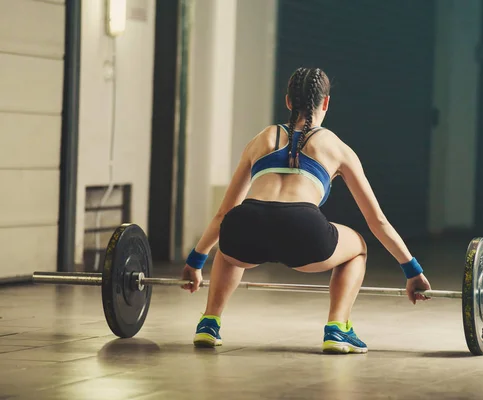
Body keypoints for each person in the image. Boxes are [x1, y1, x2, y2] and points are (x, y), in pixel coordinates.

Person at [180, 67, 431, 354]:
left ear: (288, 101)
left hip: (248, 224)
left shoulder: (262, 138)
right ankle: (337, 329)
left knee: (229, 241)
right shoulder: (336, 146)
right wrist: (412, 270)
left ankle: (209, 323)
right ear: (325, 103)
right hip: (302, 232)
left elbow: (224, 212)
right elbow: (377, 221)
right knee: (358, 246)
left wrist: (195, 262)